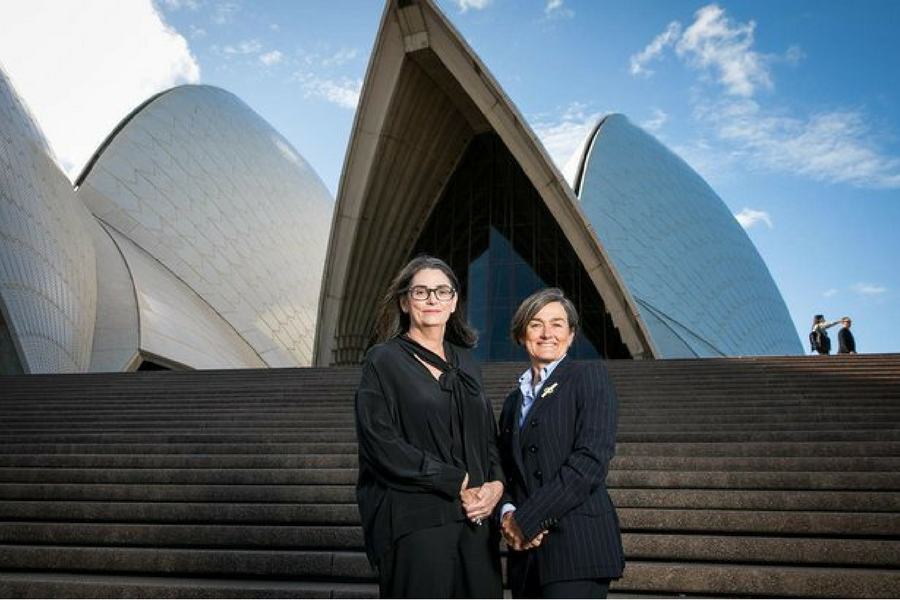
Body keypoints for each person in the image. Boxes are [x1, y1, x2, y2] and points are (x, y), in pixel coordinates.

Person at [354, 255, 505, 598]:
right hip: (416, 518)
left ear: (454, 302)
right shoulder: (383, 360)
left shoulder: (466, 362)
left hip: (475, 519)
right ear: (405, 302)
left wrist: (496, 484)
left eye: (442, 291)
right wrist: (454, 480)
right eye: (421, 292)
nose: (433, 299)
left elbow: (488, 437)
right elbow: (380, 442)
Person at [497, 288, 624, 599]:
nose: (546, 333)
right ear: (521, 333)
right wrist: (507, 513)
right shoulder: (513, 402)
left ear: (570, 334)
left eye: (557, 324)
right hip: (526, 555)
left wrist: (528, 520)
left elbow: (590, 462)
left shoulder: (588, 377)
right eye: (536, 324)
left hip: (578, 549)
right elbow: (504, 470)